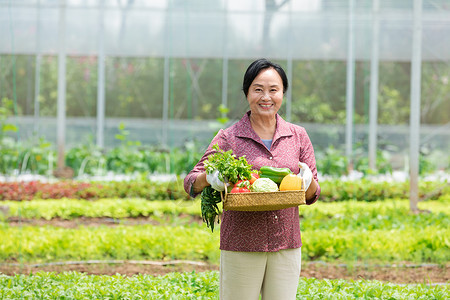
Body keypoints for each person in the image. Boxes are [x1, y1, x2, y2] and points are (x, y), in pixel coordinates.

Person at [184, 58, 320, 300]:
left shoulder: (297, 136)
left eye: (273, 90)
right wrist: (210, 178)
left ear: (283, 93)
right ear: (247, 92)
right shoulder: (230, 137)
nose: (266, 97)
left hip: (286, 244)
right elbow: (191, 182)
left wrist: (308, 181)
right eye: (258, 89)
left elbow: (313, 195)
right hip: (241, 244)